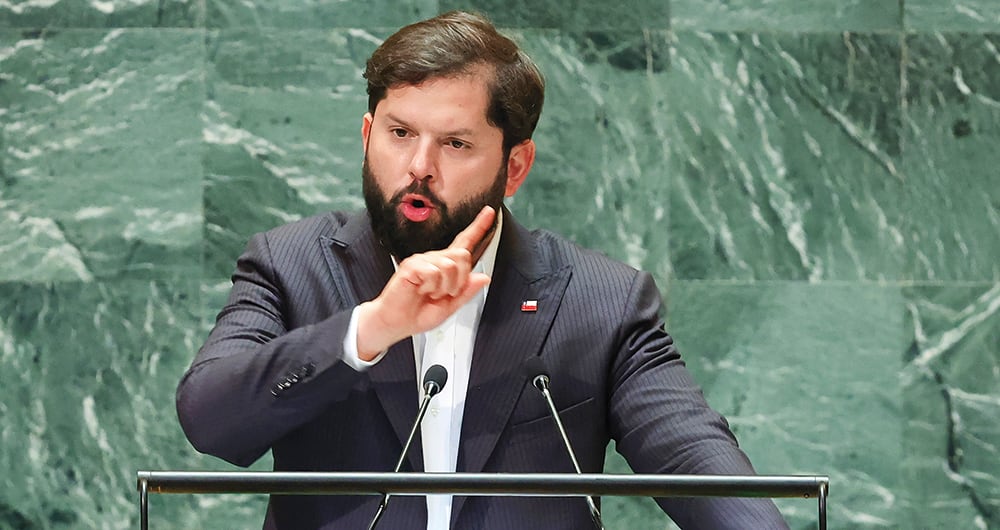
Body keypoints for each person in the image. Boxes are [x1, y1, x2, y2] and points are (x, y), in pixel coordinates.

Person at [176, 10, 789, 530]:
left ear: (515, 166)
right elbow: (210, 420)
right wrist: (367, 331)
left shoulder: (600, 302)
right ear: (367, 135)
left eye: (456, 144)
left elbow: (696, 462)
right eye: (399, 133)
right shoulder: (291, 265)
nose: (418, 166)